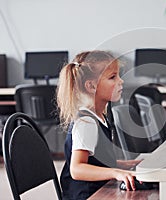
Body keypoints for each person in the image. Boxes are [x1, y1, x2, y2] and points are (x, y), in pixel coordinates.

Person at [57, 50, 140, 200]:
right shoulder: (87, 122)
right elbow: (77, 169)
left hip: (96, 190)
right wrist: (115, 173)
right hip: (86, 196)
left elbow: (94, 159)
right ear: (91, 86)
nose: (121, 81)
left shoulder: (99, 116)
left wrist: (122, 165)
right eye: (113, 77)